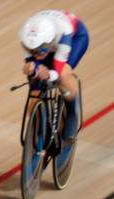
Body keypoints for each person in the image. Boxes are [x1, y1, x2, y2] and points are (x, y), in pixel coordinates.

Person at [19, 10, 89, 141]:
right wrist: (33, 70)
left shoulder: (64, 33)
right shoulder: (26, 37)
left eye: (41, 50)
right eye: (32, 51)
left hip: (75, 39)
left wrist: (47, 74)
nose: (36, 54)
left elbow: (56, 72)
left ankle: (72, 109)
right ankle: (38, 133)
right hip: (50, 43)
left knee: (63, 75)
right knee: (35, 92)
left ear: (49, 42)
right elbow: (33, 66)